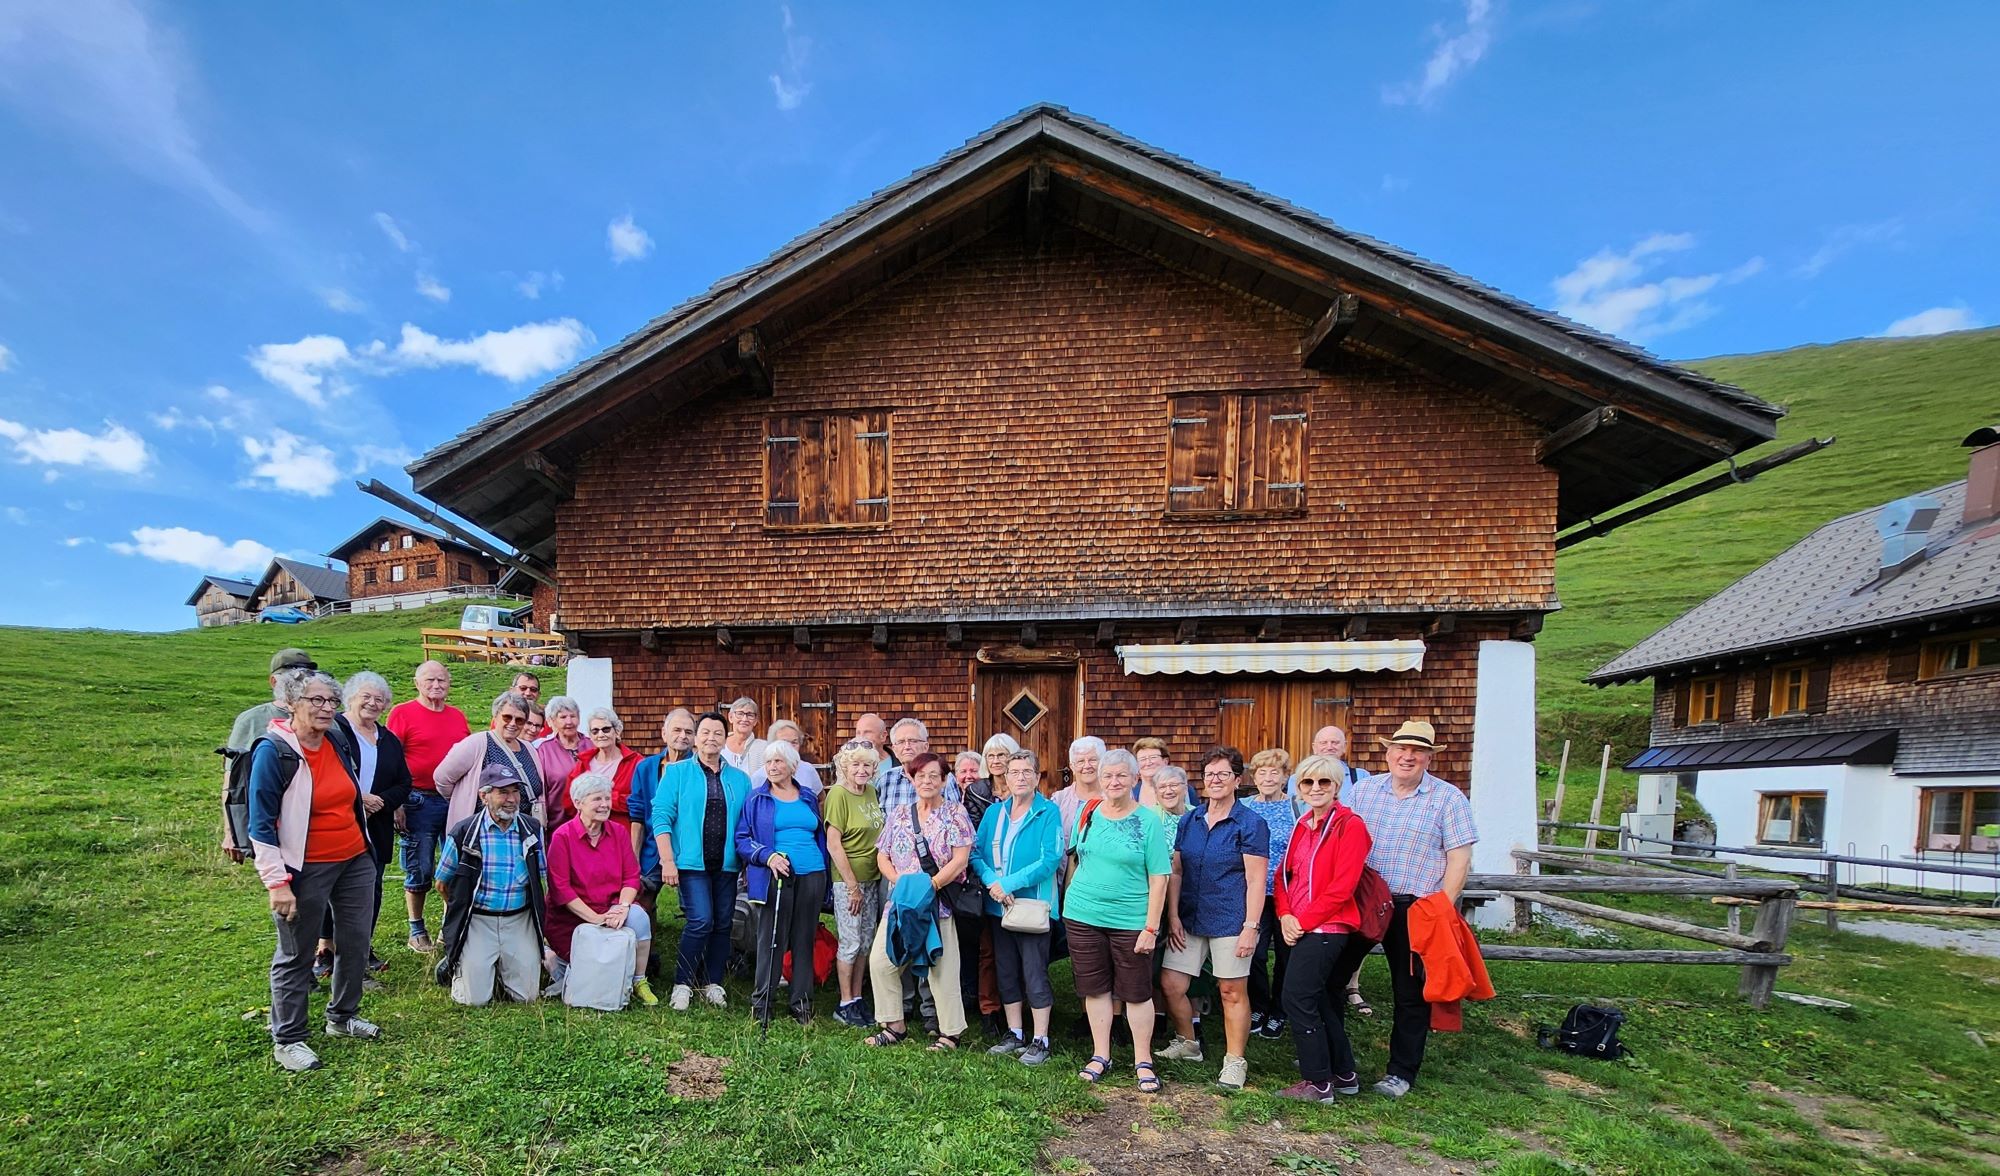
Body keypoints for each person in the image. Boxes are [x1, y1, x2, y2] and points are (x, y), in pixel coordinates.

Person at [1336, 721, 1476, 1098]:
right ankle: (1334, 1058)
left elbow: (1459, 859)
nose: (1407, 756)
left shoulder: (1448, 799)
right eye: (1401, 749)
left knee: (1409, 991)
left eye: (1417, 751)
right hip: (1364, 901)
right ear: (1388, 753)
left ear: (1429, 757)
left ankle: (1401, 1071)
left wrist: (1440, 908)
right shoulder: (1364, 791)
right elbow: (1340, 839)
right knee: (1332, 977)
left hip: (1413, 906)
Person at [248, 669, 378, 1071]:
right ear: (291, 703)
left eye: (331, 701)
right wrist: (277, 883)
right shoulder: (274, 752)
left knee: (355, 941)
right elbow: (260, 824)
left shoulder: (336, 739)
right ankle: (288, 1039)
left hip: (355, 857)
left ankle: (342, 1017)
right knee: (296, 952)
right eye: (316, 700)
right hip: (305, 867)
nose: (326, 708)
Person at [1159, 747, 1270, 1090]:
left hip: (1230, 918)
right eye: (1210, 774)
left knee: (1231, 991)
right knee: (1171, 984)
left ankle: (1235, 1061)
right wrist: (1173, 916)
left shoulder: (1250, 823)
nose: (1216, 780)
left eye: (1223, 774)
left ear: (1237, 780)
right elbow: (1177, 871)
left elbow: (1256, 880)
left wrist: (1251, 927)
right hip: (1189, 916)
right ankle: (1188, 1042)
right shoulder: (1189, 820)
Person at [1064, 747, 1170, 1092]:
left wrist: (1151, 927)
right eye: (1108, 775)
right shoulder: (1087, 812)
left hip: (1131, 920)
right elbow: (1076, 859)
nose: (1114, 781)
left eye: (1122, 775)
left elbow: (1159, 877)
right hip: (1083, 915)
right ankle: (1101, 1054)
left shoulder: (1149, 821)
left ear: (1135, 779)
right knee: (1095, 988)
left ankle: (1143, 1060)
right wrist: (1066, 903)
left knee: (1136, 992)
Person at [1274, 753, 1373, 1102]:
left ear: (1336, 786)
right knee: (1322, 999)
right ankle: (1344, 1074)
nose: (1315, 788)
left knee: (1297, 998)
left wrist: (1301, 922)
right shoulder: (1303, 825)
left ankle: (1317, 1082)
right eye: (1308, 782)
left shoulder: (1350, 825)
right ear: (1299, 787)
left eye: (1323, 781)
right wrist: (1285, 915)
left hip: (1328, 928)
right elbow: (1283, 876)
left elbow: (1342, 887)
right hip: (1299, 924)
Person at [865, 752, 976, 1050]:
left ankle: (950, 1033)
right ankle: (894, 1025)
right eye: (920, 776)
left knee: (942, 969)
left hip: (937, 903)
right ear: (911, 779)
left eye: (933, 776)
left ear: (944, 780)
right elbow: (882, 855)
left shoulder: (955, 813)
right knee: (881, 962)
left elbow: (960, 859)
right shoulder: (900, 813)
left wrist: (932, 885)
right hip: (901, 902)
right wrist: (900, 882)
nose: (927, 781)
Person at [652, 711, 752, 1010]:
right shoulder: (677, 773)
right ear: (695, 738)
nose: (711, 738)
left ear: (725, 738)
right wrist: (667, 860)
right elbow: (661, 817)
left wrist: (747, 863)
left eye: (718, 733)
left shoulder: (740, 779)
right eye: (705, 732)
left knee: (722, 923)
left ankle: (712, 982)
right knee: (701, 921)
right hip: (691, 864)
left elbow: (746, 823)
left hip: (726, 864)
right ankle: (682, 983)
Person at [972, 750, 1062, 1066]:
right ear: (1005, 778)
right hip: (999, 907)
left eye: (1027, 772)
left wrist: (1009, 883)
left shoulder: (1047, 812)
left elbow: (1050, 859)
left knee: (1034, 972)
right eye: (1014, 772)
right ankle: (1015, 1033)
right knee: (1006, 970)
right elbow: (975, 854)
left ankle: (1041, 1039)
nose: (1020, 777)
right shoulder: (994, 813)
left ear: (1037, 777)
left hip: (1032, 906)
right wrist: (993, 883)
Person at [435, 763, 546, 1006]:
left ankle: (496, 968)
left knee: (527, 996)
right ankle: (459, 962)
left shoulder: (532, 829)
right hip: (478, 919)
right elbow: (442, 883)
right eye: (503, 792)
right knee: (473, 1000)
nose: (512, 799)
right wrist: (460, 907)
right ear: (483, 796)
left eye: (515, 791)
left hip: (519, 919)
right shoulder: (464, 832)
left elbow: (542, 878)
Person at [737, 741, 831, 1025]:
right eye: (768, 762)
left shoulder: (807, 797)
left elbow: (818, 834)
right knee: (772, 939)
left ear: (793, 766)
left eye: (778, 761)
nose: (773, 767)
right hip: (776, 876)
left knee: (804, 938)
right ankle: (762, 1003)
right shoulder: (757, 798)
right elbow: (742, 839)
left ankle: (801, 1003)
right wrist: (768, 856)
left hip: (813, 873)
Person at [545, 772, 655, 1007]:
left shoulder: (618, 832)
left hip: (612, 905)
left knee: (639, 918)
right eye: (597, 799)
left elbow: (631, 876)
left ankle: (639, 980)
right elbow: (560, 888)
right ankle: (554, 960)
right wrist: (595, 919)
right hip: (572, 915)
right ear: (578, 803)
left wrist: (623, 907)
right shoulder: (562, 836)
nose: (605, 804)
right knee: (587, 972)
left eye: (607, 798)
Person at [330, 671, 413, 979]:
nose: (373, 703)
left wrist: (380, 801)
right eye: (366, 696)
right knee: (331, 886)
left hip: (374, 826)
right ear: (350, 697)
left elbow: (404, 782)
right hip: (337, 822)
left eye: (379, 699)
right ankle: (327, 948)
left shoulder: (388, 740)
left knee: (370, 888)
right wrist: (357, 798)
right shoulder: (334, 730)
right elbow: (324, 774)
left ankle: (362, 947)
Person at [388, 660, 470, 953]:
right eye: (430, 680)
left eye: (441, 680)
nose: (436, 685)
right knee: (420, 866)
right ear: (417, 683)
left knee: (456, 865)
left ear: (449, 683)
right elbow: (391, 758)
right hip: (417, 799)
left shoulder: (457, 716)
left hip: (453, 800)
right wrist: (396, 801)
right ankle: (416, 929)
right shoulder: (402, 713)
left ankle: (449, 927)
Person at [222, 648, 314, 863]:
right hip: (270, 821)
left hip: (317, 824)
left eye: (307, 677)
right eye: (293, 677)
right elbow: (233, 781)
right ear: (274, 681)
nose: (301, 683)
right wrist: (231, 832)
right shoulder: (251, 720)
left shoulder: (326, 717)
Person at [823, 739, 885, 1026]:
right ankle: (844, 1002)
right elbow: (834, 844)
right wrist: (851, 886)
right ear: (845, 767)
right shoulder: (838, 794)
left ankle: (858, 997)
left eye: (867, 765)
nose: (862, 770)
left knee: (866, 941)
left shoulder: (871, 791)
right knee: (850, 941)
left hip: (873, 877)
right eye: (856, 764)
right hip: (849, 881)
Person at [1241, 748, 1303, 1038]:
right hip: (1252, 893)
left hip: (1286, 894)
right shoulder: (1243, 807)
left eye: (1274, 772)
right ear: (1254, 777)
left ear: (1285, 776)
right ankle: (1259, 1005)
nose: (1267, 778)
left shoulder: (1297, 808)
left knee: (1285, 954)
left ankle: (1279, 1010)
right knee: (1253, 953)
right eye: (1261, 772)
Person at [625, 706, 698, 932]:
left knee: (696, 910)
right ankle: (645, 948)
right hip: (652, 847)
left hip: (689, 850)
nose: (683, 736)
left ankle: (695, 951)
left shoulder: (700, 769)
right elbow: (637, 816)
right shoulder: (646, 768)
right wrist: (634, 860)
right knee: (641, 901)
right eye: (677, 730)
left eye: (688, 732)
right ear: (664, 733)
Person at [436, 692, 544, 832]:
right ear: (496, 716)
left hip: (521, 831)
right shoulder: (476, 743)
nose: (512, 723)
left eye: (519, 720)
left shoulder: (529, 749)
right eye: (507, 717)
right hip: (481, 829)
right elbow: (442, 777)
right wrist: (462, 799)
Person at [953, 748, 1003, 1035]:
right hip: (976, 879)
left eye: (973, 770)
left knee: (998, 946)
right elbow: (972, 840)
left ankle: (1006, 1004)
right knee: (979, 945)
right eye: (963, 771)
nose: (968, 776)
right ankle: (980, 1002)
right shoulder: (974, 795)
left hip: (1006, 879)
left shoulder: (1029, 798)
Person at [571, 707, 643, 836]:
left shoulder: (636, 763)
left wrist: (602, 799)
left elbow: (641, 801)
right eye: (595, 731)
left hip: (623, 835)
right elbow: (570, 801)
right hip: (587, 834)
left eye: (606, 729)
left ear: (617, 731)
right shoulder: (583, 763)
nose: (600, 735)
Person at [879, 718, 960, 810]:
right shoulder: (886, 779)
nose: (907, 747)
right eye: (901, 742)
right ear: (894, 750)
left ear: (925, 747)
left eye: (913, 741)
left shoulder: (943, 777)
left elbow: (955, 814)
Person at [532, 697, 588, 819]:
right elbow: (539, 790)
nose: (569, 722)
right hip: (557, 820)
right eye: (563, 717)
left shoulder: (592, 745)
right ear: (551, 721)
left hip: (592, 819)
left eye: (573, 716)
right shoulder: (543, 750)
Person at [1052, 736, 1105, 858]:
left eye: (1093, 760)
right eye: (1081, 761)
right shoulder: (1059, 800)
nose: (1087, 766)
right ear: (1072, 767)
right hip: (1066, 868)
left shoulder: (1114, 797)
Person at [751, 719, 823, 794]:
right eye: (784, 743)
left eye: (794, 742)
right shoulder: (759, 776)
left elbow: (821, 798)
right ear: (772, 745)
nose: (790, 747)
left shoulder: (808, 770)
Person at [719, 697, 767, 775]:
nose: (744, 719)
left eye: (750, 715)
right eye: (740, 714)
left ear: (755, 721)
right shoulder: (719, 744)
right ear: (730, 717)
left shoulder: (764, 748)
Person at [1148, 764, 1192, 829]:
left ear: (1185, 789)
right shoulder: (1149, 817)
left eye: (1173, 785)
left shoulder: (1196, 814)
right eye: (1162, 787)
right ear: (1156, 792)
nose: (1168, 791)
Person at [1133, 736, 1170, 807]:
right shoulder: (1130, 793)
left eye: (1153, 757)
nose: (1148, 763)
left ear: (1165, 761)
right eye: (1143, 759)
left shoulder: (1183, 789)